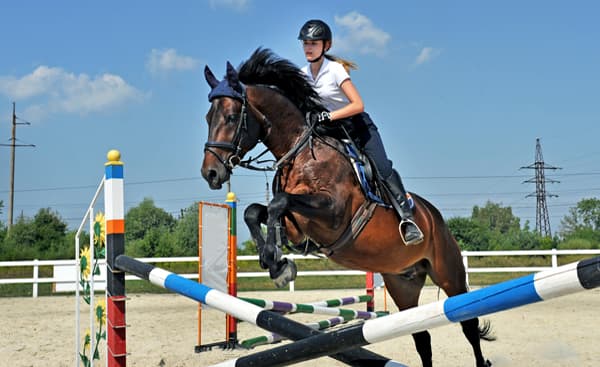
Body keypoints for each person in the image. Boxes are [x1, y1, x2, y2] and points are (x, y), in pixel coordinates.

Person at [298, 19, 424, 245]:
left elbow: (358, 104)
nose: (308, 47)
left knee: (382, 168)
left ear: (326, 45)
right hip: (330, 132)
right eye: (305, 43)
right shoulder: (302, 74)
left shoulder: (335, 70)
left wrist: (327, 116)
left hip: (358, 128)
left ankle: (407, 218)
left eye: (313, 43)